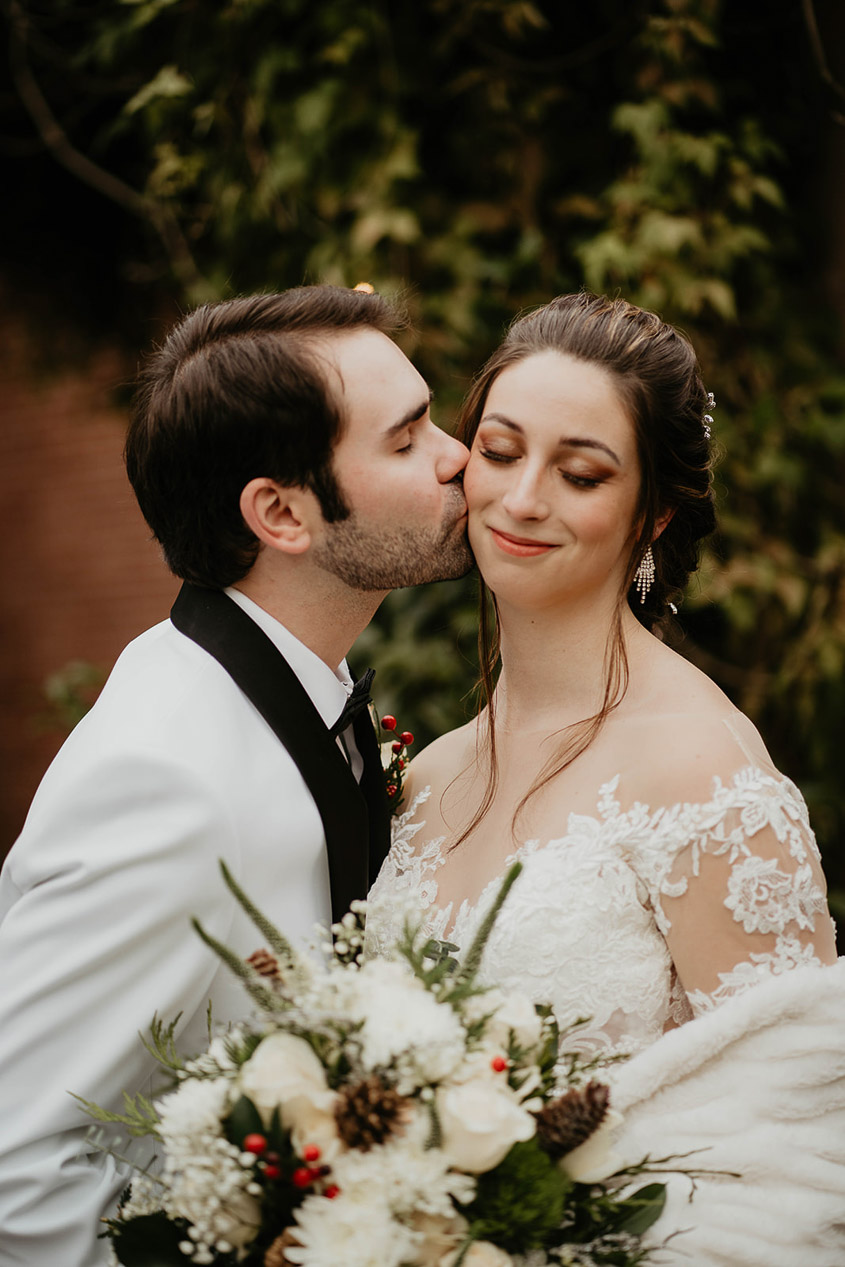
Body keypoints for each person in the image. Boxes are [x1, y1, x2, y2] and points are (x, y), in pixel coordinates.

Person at [0, 285, 471, 1266]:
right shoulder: (165, 781)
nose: (456, 457)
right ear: (281, 512)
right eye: (406, 438)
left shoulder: (288, 691)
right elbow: (20, 1171)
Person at [369, 292, 845, 1263]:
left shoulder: (702, 772)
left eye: (579, 472)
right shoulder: (425, 775)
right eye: (498, 452)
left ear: (652, 514)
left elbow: (798, 1154)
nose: (522, 497)